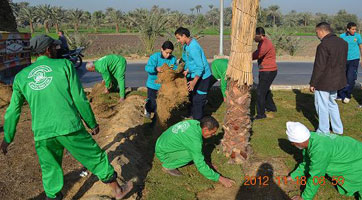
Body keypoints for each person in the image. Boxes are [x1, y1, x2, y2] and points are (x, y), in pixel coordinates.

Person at [0, 35, 132, 200]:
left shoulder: (21, 77)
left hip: (42, 132)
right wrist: (91, 123)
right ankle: (118, 190)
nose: (57, 49)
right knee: (94, 156)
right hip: (68, 127)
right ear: (48, 49)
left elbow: (13, 110)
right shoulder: (65, 65)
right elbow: (79, 99)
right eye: (54, 47)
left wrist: (8, 137)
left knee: (50, 169)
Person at [285, 122, 362, 200]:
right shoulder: (311, 138)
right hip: (359, 154)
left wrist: (305, 197)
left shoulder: (319, 150)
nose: (292, 145)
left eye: (292, 143)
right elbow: (307, 161)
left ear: (298, 141)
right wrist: (294, 176)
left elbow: (316, 175)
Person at [155, 116, 235, 187]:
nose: (213, 135)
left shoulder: (194, 123)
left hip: (161, 143)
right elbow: (200, 164)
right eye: (212, 133)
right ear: (205, 129)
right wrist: (220, 179)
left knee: (195, 150)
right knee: (191, 154)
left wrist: (207, 163)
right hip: (164, 153)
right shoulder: (195, 141)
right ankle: (168, 165)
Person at [310, 22, 347, 135]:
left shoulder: (323, 45)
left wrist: (313, 83)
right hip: (337, 80)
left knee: (322, 105)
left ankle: (323, 130)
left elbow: (319, 66)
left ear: (321, 31)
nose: (317, 35)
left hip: (324, 81)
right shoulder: (343, 43)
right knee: (332, 103)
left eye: (317, 33)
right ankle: (338, 129)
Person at [175, 27, 212, 120]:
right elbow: (189, 61)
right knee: (192, 97)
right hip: (194, 74)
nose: (178, 41)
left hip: (202, 77)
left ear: (184, 36)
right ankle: (192, 115)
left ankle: (197, 121)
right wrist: (187, 70)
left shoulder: (193, 48)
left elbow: (200, 67)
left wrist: (194, 81)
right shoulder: (186, 45)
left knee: (198, 99)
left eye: (178, 38)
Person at [144, 41, 177, 118]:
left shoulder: (173, 59)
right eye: (166, 52)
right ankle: (147, 108)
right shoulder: (154, 57)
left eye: (170, 53)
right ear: (162, 49)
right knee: (152, 103)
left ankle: (156, 119)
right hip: (153, 85)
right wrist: (156, 69)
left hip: (164, 86)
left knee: (160, 105)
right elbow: (147, 68)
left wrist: (176, 70)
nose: (168, 55)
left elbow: (174, 68)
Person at [252, 27, 278, 120]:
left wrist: (247, 57)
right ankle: (271, 107)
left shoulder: (265, 43)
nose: (254, 38)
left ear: (260, 35)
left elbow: (259, 54)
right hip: (267, 70)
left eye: (255, 35)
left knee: (260, 92)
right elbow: (257, 52)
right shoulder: (262, 42)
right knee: (265, 90)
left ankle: (261, 114)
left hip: (268, 71)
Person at [338, 22, 362, 104]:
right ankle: (340, 94)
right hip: (343, 60)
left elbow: (361, 47)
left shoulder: (357, 36)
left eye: (355, 29)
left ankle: (347, 95)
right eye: (353, 29)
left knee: (350, 78)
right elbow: (339, 48)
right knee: (342, 77)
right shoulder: (342, 36)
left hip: (354, 60)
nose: (354, 30)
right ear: (348, 29)